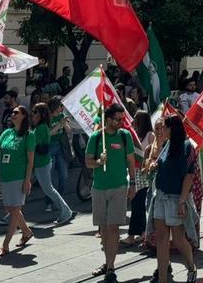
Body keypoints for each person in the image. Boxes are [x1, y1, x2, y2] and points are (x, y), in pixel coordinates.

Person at [86, 103, 136, 283]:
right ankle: (107, 263)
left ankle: (110, 267)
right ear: (108, 119)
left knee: (113, 227)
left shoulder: (125, 136)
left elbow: (131, 162)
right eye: (117, 119)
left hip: (119, 187)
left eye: (122, 119)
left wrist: (133, 183)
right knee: (104, 229)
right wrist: (99, 161)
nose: (121, 123)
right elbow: (88, 162)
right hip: (99, 187)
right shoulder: (96, 137)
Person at [148, 115, 197, 283]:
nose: (162, 131)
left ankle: (191, 267)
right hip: (161, 195)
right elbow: (162, 163)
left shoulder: (187, 146)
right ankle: (162, 279)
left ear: (172, 129)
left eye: (165, 128)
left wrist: (182, 201)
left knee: (177, 238)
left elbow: (189, 175)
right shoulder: (165, 144)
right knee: (161, 238)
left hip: (177, 198)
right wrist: (154, 165)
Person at [0, 105, 35, 258]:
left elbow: (31, 161)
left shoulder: (29, 135)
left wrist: (27, 180)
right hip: (5, 176)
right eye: (12, 112)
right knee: (10, 209)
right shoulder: (6, 133)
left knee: (14, 211)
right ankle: (26, 231)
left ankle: (5, 245)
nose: (13, 114)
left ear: (24, 116)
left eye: (16, 112)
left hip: (18, 177)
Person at [30, 103, 74, 225]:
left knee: (49, 188)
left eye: (35, 112)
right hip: (39, 161)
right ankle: (12, 214)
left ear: (41, 114)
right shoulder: (39, 127)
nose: (32, 114)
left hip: (41, 162)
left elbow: (34, 144)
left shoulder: (42, 128)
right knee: (21, 189)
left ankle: (66, 211)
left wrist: (63, 124)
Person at [124, 110, 155, 247]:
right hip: (134, 172)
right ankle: (142, 232)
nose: (133, 120)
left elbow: (153, 153)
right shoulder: (136, 135)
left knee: (137, 203)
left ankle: (134, 234)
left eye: (136, 118)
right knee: (137, 204)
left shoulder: (150, 135)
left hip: (143, 174)